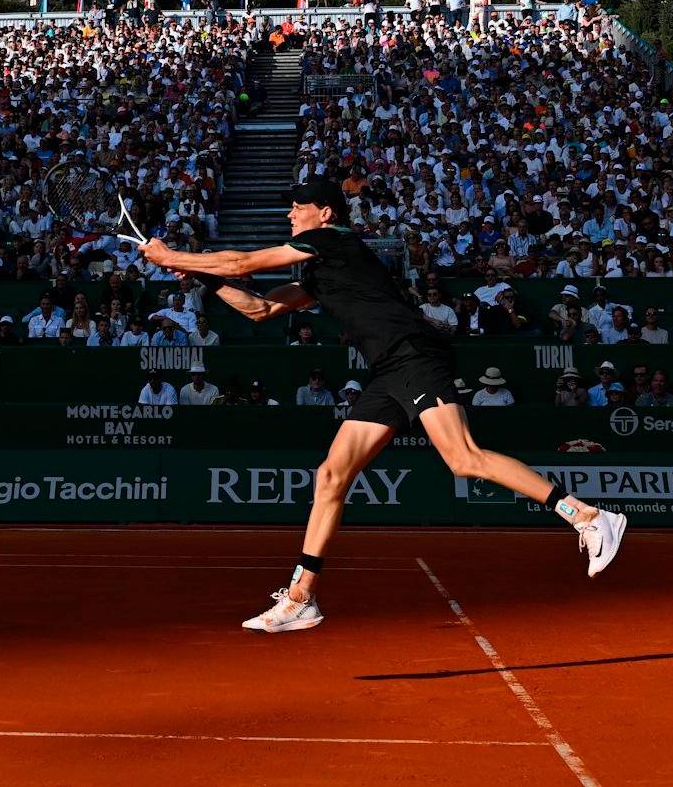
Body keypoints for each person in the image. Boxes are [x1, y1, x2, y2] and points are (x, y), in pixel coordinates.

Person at [139, 178, 626, 632]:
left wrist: (171, 256)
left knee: (462, 458)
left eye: (298, 208)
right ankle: (302, 595)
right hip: (387, 372)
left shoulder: (335, 240)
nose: (290, 214)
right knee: (330, 475)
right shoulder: (322, 268)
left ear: (324, 213)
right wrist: (198, 276)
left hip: (414, 353)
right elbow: (259, 309)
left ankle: (585, 515)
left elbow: (239, 264)